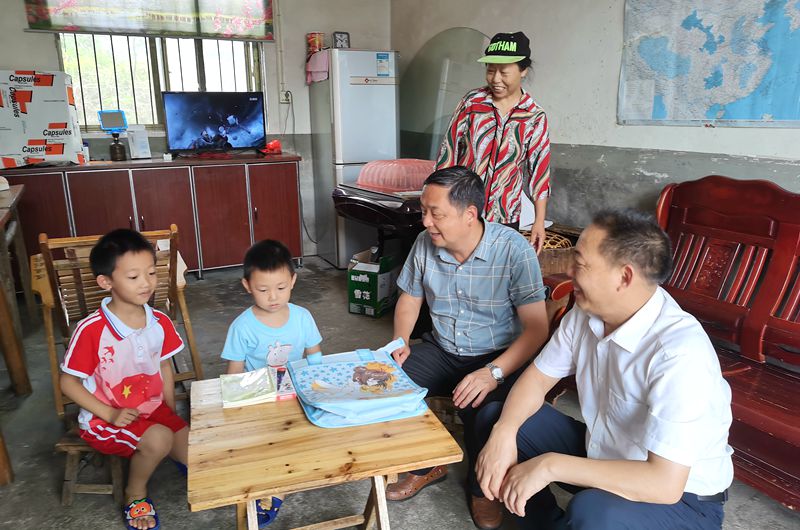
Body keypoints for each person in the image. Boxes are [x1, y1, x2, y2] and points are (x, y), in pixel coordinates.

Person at [475, 209, 734, 530]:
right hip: (606, 453)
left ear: (624, 277)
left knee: (595, 512)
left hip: (684, 499)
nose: (569, 271)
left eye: (581, 264)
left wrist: (550, 466)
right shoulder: (589, 311)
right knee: (497, 419)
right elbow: (538, 378)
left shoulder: (679, 354)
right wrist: (503, 433)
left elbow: (665, 484)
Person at [386, 166, 550, 530]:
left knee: (488, 413)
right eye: (424, 211)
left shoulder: (512, 249)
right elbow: (410, 299)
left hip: (498, 356)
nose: (426, 222)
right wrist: (400, 342)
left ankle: (482, 489)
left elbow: (537, 329)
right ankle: (426, 465)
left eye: (436, 213)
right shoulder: (425, 243)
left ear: (470, 214)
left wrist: (493, 373)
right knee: (389, 382)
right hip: (443, 348)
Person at [60, 229, 189, 530]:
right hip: (104, 420)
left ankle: (163, 446)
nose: (146, 283)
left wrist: (171, 414)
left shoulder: (159, 321)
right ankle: (135, 493)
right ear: (106, 282)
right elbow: (67, 383)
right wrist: (109, 413)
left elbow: (164, 367)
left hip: (152, 409)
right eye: (133, 276)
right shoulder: (92, 330)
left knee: (195, 451)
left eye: (151, 273)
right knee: (160, 439)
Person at [221, 239, 323, 527]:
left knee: (302, 440)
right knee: (261, 444)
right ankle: (271, 488)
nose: (273, 297)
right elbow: (235, 373)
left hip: (296, 393)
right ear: (247, 286)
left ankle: (279, 485)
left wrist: (319, 389)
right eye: (263, 290)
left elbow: (315, 357)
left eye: (281, 287)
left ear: (293, 281)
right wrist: (235, 408)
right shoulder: (242, 326)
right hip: (260, 397)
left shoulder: (302, 317)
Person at [435, 31, 551, 252]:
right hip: (463, 208)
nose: (496, 79)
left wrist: (539, 220)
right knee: (458, 265)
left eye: (504, 72)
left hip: (505, 215)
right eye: (490, 70)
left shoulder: (534, 116)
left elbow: (539, 172)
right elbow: (448, 151)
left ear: (523, 70)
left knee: (496, 270)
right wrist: (439, 202)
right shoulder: (472, 103)